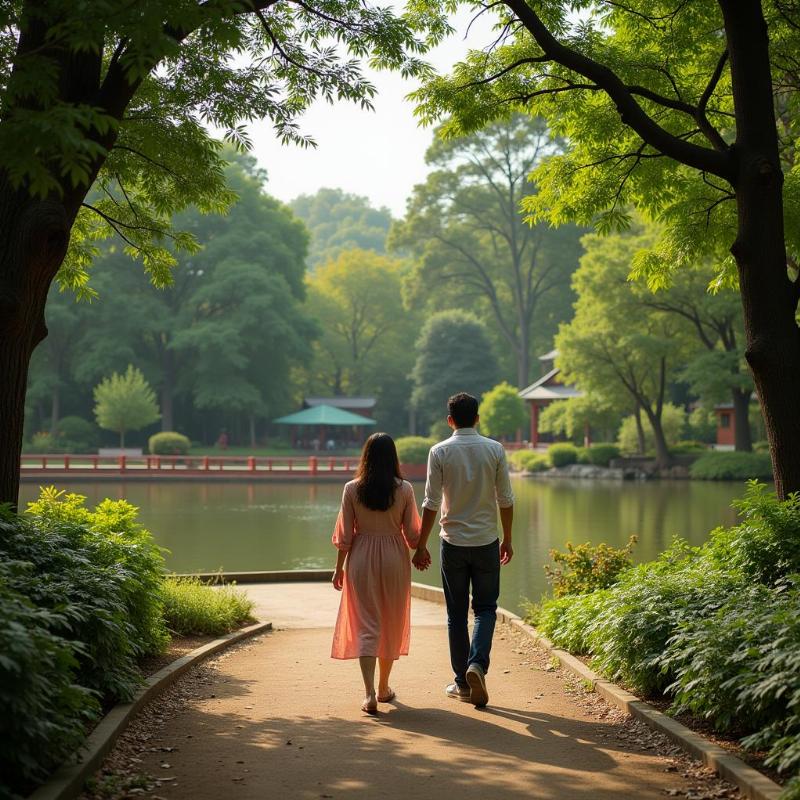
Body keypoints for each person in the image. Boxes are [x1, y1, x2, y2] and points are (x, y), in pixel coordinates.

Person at [413, 392, 514, 708]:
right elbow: (506, 499)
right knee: (485, 609)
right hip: (486, 542)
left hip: (452, 543)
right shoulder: (495, 449)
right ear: (478, 418)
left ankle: (462, 683)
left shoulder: (439, 451)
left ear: (450, 420)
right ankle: (477, 665)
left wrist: (420, 545)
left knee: (456, 614)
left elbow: (430, 503)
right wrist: (507, 538)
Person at [331, 432, 422, 714]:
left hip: (360, 558)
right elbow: (413, 535)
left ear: (366, 457)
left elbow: (344, 535)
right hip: (394, 558)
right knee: (390, 621)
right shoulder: (404, 489)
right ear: (393, 457)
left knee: (366, 624)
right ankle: (384, 687)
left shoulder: (351, 488)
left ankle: (369, 693)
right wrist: (421, 549)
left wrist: (338, 569)